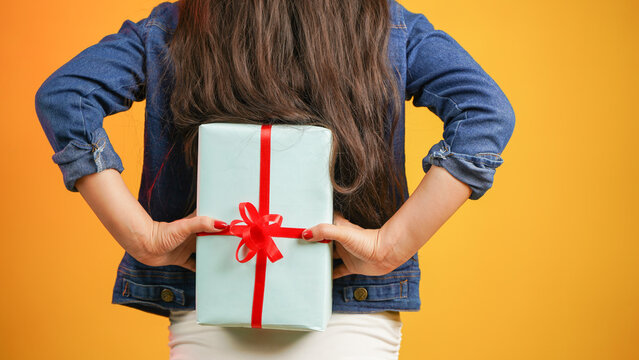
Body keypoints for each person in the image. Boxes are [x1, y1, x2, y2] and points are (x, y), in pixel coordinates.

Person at [34, 0, 515, 358]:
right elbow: (484, 112)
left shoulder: (177, 24)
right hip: (351, 311)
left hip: (211, 307)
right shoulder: (386, 23)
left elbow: (66, 96)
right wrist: (393, 245)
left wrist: (143, 239)